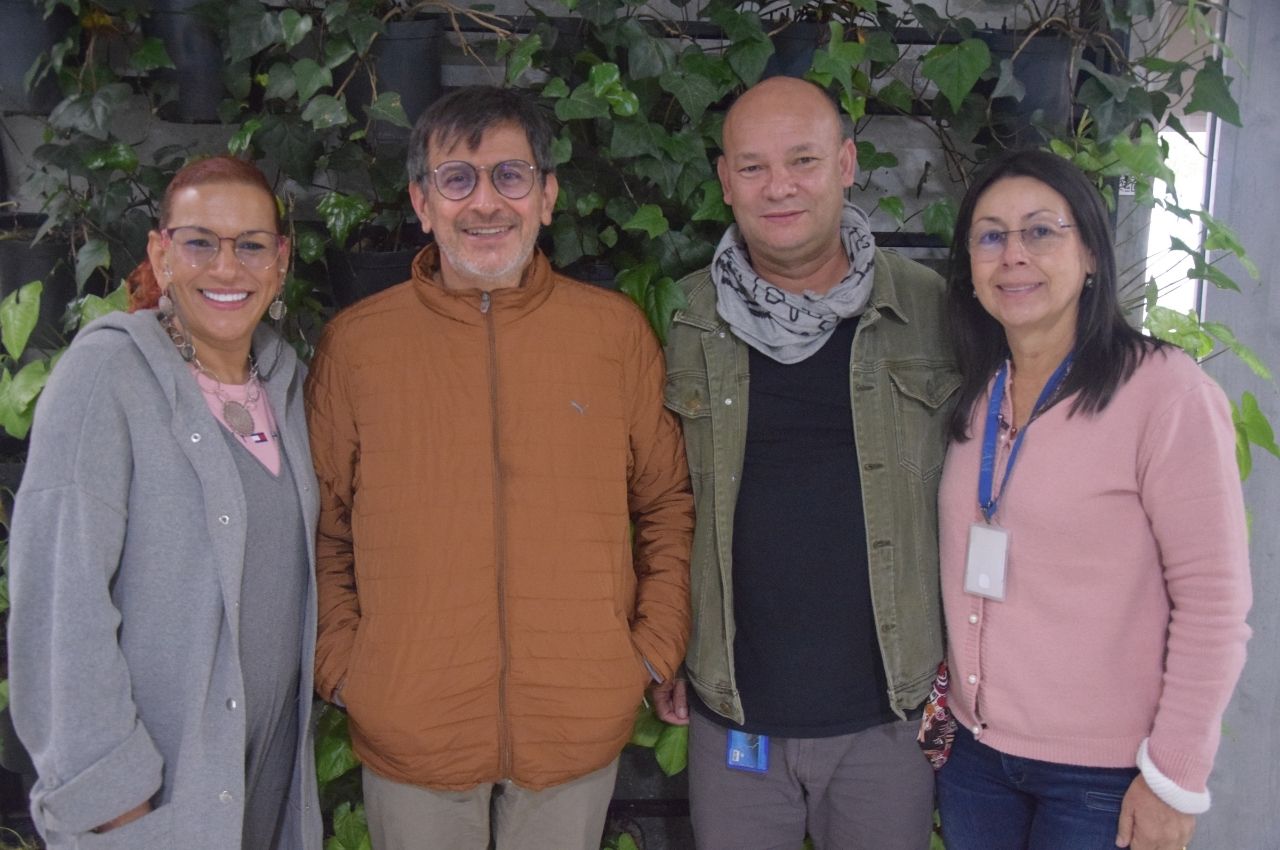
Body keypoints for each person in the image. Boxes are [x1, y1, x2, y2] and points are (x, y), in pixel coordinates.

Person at [304, 85, 693, 850]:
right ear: (422, 202)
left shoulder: (612, 334)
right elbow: (321, 524)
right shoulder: (357, 346)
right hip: (412, 723)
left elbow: (665, 502)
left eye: (510, 176)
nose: (486, 203)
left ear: (547, 196)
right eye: (458, 179)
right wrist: (349, 671)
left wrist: (646, 652)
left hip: (576, 716)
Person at [656, 76, 957, 849]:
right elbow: (656, 503)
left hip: (888, 719)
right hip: (735, 717)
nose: (778, 186)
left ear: (848, 162)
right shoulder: (686, 320)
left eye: (802, 160)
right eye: (752, 167)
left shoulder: (934, 312)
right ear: (725, 181)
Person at [935, 148, 1252, 850]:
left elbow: (1216, 606)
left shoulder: (1166, 395)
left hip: (1103, 777)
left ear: (1090, 257)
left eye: (1041, 231)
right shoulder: (978, 392)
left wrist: (1174, 776)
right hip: (976, 763)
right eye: (991, 235)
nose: (1013, 254)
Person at [8, 155, 322, 849]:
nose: (227, 267)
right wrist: (113, 796)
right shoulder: (106, 376)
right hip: (157, 799)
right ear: (161, 253)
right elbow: (62, 606)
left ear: (280, 261)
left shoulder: (285, 382)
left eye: (251, 245)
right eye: (200, 241)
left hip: (267, 782)